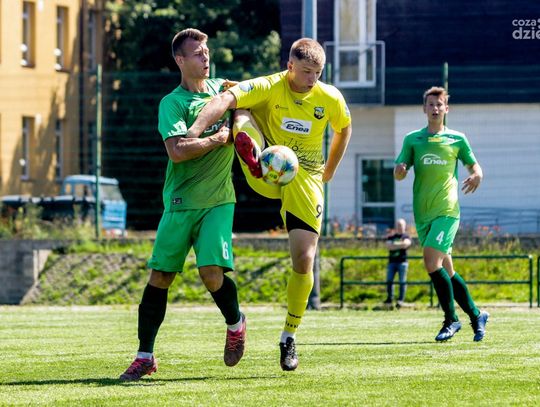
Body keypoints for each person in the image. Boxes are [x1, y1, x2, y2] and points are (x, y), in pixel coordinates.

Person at [187, 38, 352, 370]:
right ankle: (248, 147)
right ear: (290, 66)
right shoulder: (270, 85)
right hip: (264, 168)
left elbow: (344, 129)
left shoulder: (330, 97)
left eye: (317, 73)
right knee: (241, 108)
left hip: (305, 176)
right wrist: (194, 130)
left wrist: (329, 171)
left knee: (304, 260)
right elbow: (225, 98)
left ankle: (288, 336)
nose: (312, 79)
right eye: (306, 71)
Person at [119, 28, 246, 381]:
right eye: (197, 53)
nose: (205, 57)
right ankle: (145, 357)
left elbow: (258, 96)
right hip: (179, 202)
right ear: (180, 60)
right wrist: (218, 139)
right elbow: (177, 151)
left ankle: (236, 325)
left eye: (206, 51)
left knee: (211, 273)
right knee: (160, 277)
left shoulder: (225, 90)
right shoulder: (172, 103)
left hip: (218, 200)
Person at [394, 86, 489, 342]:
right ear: (424, 108)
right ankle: (476, 315)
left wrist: (477, 174)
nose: (435, 108)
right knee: (447, 269)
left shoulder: (457, 139)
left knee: (430, 262)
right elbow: (399, 171)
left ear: (447, 108)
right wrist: (400, 170)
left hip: (447, 211)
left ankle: (451, 320)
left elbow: (474, 166)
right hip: (423, 213)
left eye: (439, 104)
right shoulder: (413, 139)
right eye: (431, 104)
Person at [384, 218, 412, 307]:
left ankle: (400, 300)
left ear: (404, 226)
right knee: (389, 280)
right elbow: (388, 246)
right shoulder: (391, 236)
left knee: (402, 281)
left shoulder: (406, 236)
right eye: (398, 225)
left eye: (401, 225)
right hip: (392, 262)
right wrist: (400, 245)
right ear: (396, 226)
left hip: (402, 262)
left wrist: (394, 245)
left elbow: (406, 244)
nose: (400, 227)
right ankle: (389, 299)